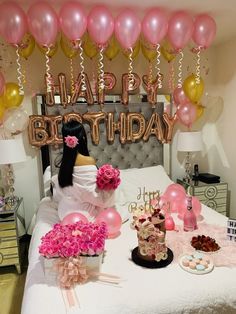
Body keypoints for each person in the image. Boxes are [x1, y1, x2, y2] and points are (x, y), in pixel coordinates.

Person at [52, 119, 115, 221]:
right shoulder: (88, 161)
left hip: (64, 212)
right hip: (83, 215)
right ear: (83, 137)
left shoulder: (64, 163)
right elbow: (92, 195)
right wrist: (109, 186)